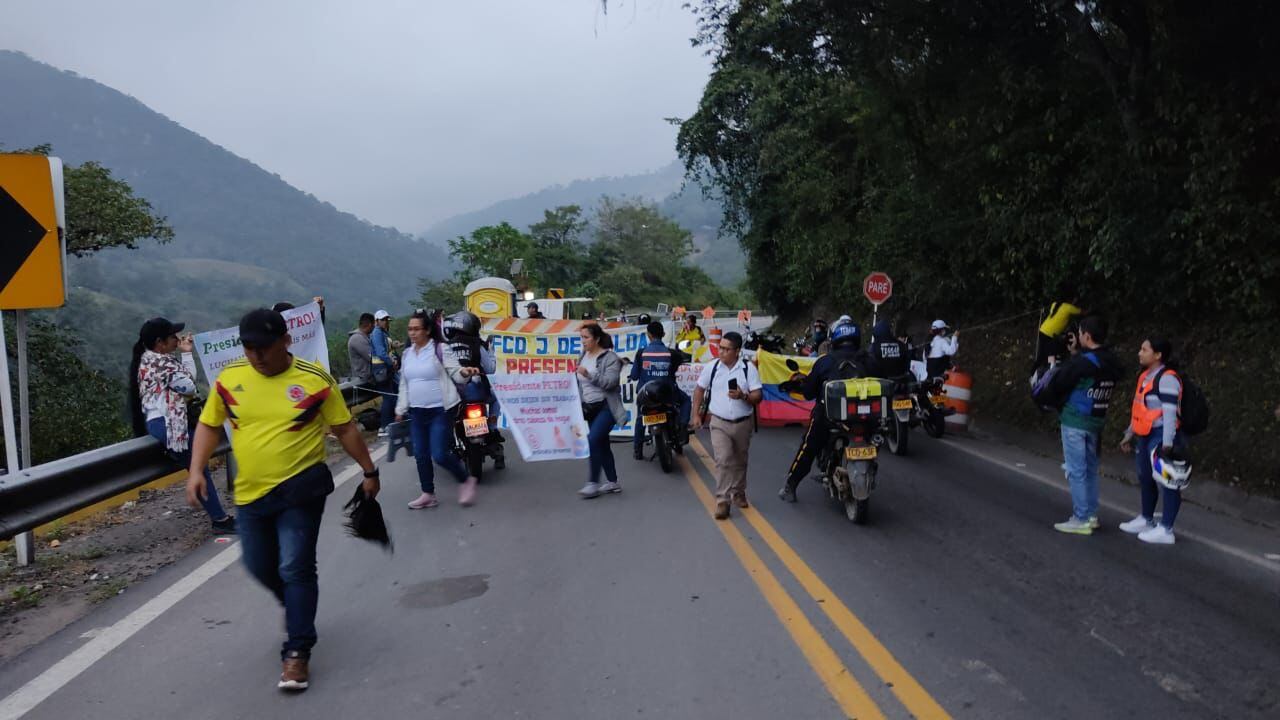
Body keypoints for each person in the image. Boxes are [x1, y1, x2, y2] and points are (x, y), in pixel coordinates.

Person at [186, 308, 378, 692]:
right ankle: (296, 608)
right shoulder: (231, 379)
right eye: (249, 347)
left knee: (295, 566)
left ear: (286, 342)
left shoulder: (314, 380)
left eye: (264, 347)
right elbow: (209, 424)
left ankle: (297, 652)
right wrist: (196, 470)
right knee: (259, 565)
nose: (256, 356)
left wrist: (369, 471)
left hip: (300, 487)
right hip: (251, 492)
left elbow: (344, 428)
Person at [129, 317, 235, 534]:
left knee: (199, 465)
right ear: (160, 342)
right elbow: (189, 386)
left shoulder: (151, 360)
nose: (177, 339)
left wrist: (186, 353)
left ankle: (220, 517)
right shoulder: (162, 363)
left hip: (160, 423)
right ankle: (219, 520)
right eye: (172, 337)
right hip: (167, 424)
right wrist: (186, 357)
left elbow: (186, 383)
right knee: (199, 467)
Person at [395, 310, 481, 508]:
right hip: (417, 412)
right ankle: (428, 494)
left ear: (427, 330)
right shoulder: (407, 354)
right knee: (420, 454)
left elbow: (456, 372)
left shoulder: (440, 349)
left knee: (439, 454)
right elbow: (404, 384)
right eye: (410, 329)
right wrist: (400, 408)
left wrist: (465, 372)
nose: (412, 333)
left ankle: (465, 479)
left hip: (440, 410)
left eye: (417, 329)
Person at [1046, 315, 1123, 535]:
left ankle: (1080, 518)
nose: (1077, 336)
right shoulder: (1111, 361)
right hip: (1096, 420)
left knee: (1076, 470)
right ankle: (1091, 515)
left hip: (1075, 419)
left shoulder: (1083, 363)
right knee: (1090, 470)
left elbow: (1059, 383)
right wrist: (1075, 354)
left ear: (1087, 336)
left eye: (1079, 333)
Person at [778, 319, 866, 503]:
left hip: (828, 417)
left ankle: (790, 485)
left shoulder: (825, 361)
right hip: (863, 417)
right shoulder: (868, 359)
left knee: (808, 446)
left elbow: (809, 393)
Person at [1118, 337, 1187, 545]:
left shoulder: (1167, 379)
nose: (1140, 353)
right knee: (1145, 476)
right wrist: (1129, 434)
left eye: (1144, 349)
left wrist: (1167, 444)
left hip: (1160, 436)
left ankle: (1166, 529)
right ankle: (1147, 519)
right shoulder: (1145, 376)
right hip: (1144, 434)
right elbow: (1138, 409)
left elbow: (1169, 414)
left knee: (1168, 480)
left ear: (1158, 355)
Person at [692, 331, 763, 519]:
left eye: (726, 349)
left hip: (743, 423)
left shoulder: (748, 368)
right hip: (719, 423)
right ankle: (722, 500)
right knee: (723, 459)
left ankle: (738, 492)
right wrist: (696, 414)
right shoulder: (712, 367)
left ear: (737, 351)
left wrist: (743, 396)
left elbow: (758, 396)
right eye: (720, 348)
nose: (721, 352)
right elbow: (699, 389)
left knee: (740, 460)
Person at [577, 322, 626, 499]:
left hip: (607, 406)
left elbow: (609, 382)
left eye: (586, 337)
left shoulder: (610, 358)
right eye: (581, 337)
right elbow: (579, 383)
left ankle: (592, 483)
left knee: (593, 439)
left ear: (596, 339)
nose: (583, 341)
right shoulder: (583, 355)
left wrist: (589, 375)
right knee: (602, 444)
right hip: (590, 407)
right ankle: (613, 482)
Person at [630, 320, 691, 460]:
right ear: (663, 334)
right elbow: (674, 370)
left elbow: (634, 376)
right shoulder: (673, 354)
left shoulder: (641, 353)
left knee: (641, 418)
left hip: (646, 395)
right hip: (668, 394)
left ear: (648, 335)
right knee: (686, 400)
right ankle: (682, 427)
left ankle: (637, 451)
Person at [371, 309, 398, 436]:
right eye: (382, 320)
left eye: (386, 319)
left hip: (387, 369)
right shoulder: (377, 333)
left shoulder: (384, 333)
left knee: (392, 396)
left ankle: (391, 423)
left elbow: (388, 349)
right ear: (376, 321)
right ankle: (384, 426)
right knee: (388, 398)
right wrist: (391, 362)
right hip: (381, 369)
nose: (385, 322)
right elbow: (381, 352)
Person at [347, 312, 376, 402]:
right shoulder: (357, 339)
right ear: (370, 324)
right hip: (365, 379)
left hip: (368, 377)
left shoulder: (364, 337)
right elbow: (372, 358)